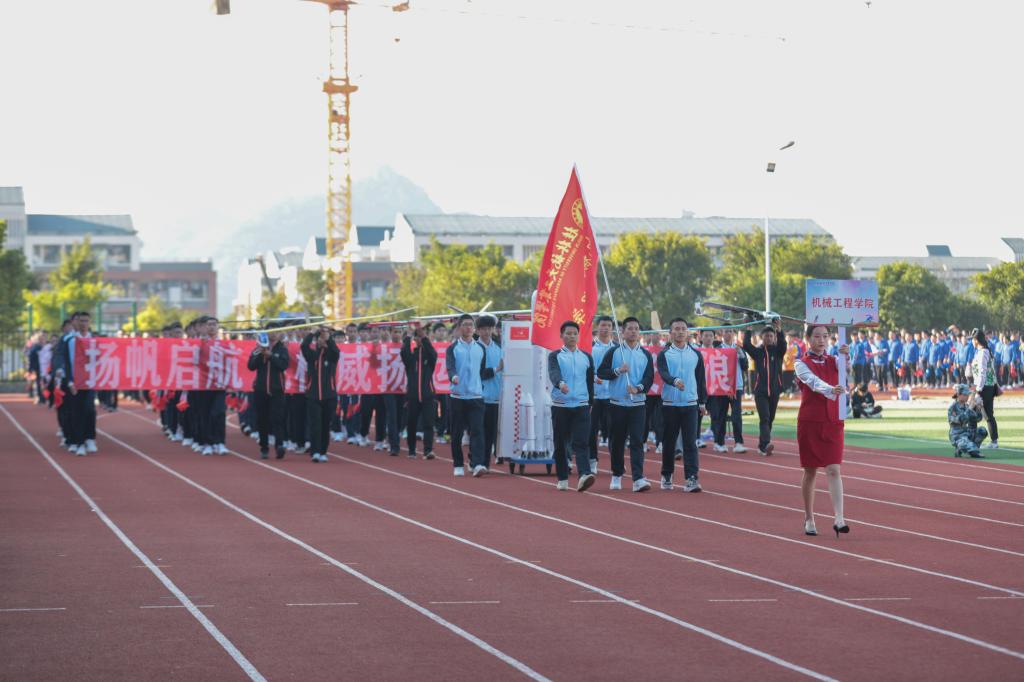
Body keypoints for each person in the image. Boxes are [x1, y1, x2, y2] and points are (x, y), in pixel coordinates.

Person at [794, 325, 850, 538]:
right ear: (808, 339)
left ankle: (839, 518)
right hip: (810, 422)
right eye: (817, 336)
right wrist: (831, 389)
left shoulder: (834, 360)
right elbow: (813, 382)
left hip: (833, 421)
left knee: (834, 469)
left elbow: (847, 369)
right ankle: (809, 518)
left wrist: (846, 356)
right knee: (810, 471)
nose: (822, 340)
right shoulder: (800, 363)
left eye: (825, 336)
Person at [596, 317, 654, 492]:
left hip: (638, 404)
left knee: (637, 441)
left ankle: (638, 478)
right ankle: (617, 474)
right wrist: (618, 371)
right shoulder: (614, 352)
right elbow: (601, 372)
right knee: (617, 441)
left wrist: (638, 388)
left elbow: (649, 378)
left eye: (636, 329)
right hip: (617, 404)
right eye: (630, 328)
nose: (633, 331)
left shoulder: (645, 355)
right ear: (622, 331)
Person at [656, 317, 707, 493]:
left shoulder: (695, 354)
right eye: (676, 329)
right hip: (670, 404)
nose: (680, 332)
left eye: (683, 329)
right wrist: (674, 381)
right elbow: (663, 373)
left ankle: (692, 478)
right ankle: (667, 474)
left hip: (690, 404)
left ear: (687, 332)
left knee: (690, 443)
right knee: (669, 442)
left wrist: (702, 402)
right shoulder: (664, 354)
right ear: (670, 333)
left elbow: (700, 379)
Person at [547, 320, 596, 492]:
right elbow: (553, 372)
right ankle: (562, 477)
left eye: (575, 333)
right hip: (561, 405)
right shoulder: (555, 356)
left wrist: (590, 402)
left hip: (581, 405)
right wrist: (560, 384)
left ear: (579, 336)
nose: (572, 336)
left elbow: (589, 382)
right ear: (561, 336)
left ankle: (584, 474)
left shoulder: (586, 357)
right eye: (568, 333)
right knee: (561, 443)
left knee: (581, 442)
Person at [446, 314, 488, 477]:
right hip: (458, 397)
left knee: (477, 431)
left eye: (471, 324)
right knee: (456, 433)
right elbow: (450, 367)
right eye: (465, 324)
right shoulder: (453, 348)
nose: (468, 327)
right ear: (459, 328)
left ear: (474, 328)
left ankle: (476, 463)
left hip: (476, 397)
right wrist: (453, 377)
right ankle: (458, 464)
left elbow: (481, 370)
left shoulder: (480, 349)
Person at [742, 318, 786, 456]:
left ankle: (762, 446)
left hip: (775, 390)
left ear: (774, 337)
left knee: (770, 418)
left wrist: (779, 329)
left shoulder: (778, 352)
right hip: (760, 391)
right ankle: (766, 443)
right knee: (765, 418)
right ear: (762, 337)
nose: (769, 338)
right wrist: (748, 329)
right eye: (766, 336)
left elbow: (783, 344)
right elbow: (746, 345)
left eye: (771, 336)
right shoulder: (758, 353)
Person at [247, 324, 290, 459]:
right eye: (272, 331)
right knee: (262, 419)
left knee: (278, 418)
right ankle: (264, 447)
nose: (274, 334)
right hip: (260, 389)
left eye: (277, 331)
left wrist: (271, 356)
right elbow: (251, 366)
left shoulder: (282, 349)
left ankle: (279, 445)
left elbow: (283, 365)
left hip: (277, 390)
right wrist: (262, 354)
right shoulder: (258, 348)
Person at [301, 325, 340, 463]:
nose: (322, 340)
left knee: (325, 425)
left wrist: (328, 337)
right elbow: (304, 346)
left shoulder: (332, 355)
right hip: (313, 396)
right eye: (320, 338)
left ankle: (323, 451)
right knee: (315, 425)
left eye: (324, 338)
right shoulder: (312, 355)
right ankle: (315, 451)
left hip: (329, 396)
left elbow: (336, 351)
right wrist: (312, 333)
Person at [401, 324, 438, 459]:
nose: (420, 339)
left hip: (428, 394)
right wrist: (408, 336)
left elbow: (433, 353)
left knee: (429, 423)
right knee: (411, 423)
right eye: (417, 337)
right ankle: (412, 450)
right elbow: (404, 352)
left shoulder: (430, 356)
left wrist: (424, 336)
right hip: (412, 395)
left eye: (421, 336)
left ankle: (428, 450)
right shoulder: (411, 357)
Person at [710, 328, 747, 453]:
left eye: (731, 331)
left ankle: (738, 443)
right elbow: (716, 368)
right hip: (722, 387)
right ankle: (719, 442)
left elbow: (745, 367)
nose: (728, 333)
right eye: (726, 331)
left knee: (737, 416)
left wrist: (741, 354)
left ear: (734, 334)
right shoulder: (718, 349)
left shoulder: (738, 348)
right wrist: (726, 387)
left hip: (737, 387)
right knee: (721, 416)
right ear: (722, 334)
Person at [589, 315, 615, 473]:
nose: (605, 328)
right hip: (594, 396)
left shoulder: (617, 349)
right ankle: (592, 460)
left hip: (612, 396)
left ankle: (616, 461)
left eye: (609, 326)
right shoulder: (590, 348)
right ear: (597, 327)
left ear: (612, 329)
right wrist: (594, 378)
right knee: (591, 430)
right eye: (603, 325)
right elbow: (586, 369)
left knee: (614, 430)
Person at [476, 315, 503, 466]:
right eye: (484, 329)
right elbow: (477, 373)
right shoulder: (475, 348)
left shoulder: (499, 347)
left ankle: (484, 464)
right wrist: (496, 369)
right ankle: (476, 461)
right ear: (478, 330)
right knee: (478, 433)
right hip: (479, 397)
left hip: (496, 397)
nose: (487, 332)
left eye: (489, 329)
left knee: (491, 433)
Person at [970, 329, 1000, 449]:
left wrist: (978, 391)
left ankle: (973, 441)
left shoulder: (983, 352)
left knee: (972, 414)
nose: (972, 342)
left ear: (976, 340)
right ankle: (994, 441)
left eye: (972, 339)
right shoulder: (985, 351)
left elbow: (982, 373)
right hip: (988, 387)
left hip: (983, 388)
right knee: (988, 415)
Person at [948, 384, 988, 458]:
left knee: (982, 431)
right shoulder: (953, 407)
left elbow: (977, 419)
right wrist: (970, 409)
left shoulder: (966, 406)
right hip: (957, 436)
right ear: (959, 394)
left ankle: (971, 449)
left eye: (967, 395)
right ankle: (968, 449)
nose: (967, 396)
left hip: (967, 433)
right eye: (965, 395)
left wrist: (979, 408)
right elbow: (960, 420)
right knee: (968, 445)